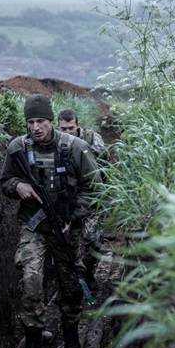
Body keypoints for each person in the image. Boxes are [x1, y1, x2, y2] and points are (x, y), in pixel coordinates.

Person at [0, 95, 100, 348]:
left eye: (41, 121)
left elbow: (96, 189)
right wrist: (17, 187)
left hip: (67, 226)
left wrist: (74, 216)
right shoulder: (17, 148)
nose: (35, 127)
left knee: (70, 281)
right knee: (31, 278)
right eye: (30, 122)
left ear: (51, 120)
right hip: (34, 224)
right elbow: (5, 181)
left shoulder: (76, 148)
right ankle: (33, 336)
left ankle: (70, 331)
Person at [58, 109, 106, 290]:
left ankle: (89, 273)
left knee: (93, 240)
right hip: (69, 198)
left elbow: (103, 164)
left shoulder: (91, 138)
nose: (68, 132)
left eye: (71, 128)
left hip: (92, 196)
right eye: (64, 129)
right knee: (71, 242)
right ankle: (74, 279)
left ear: (78, 126)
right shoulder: (56, 142)